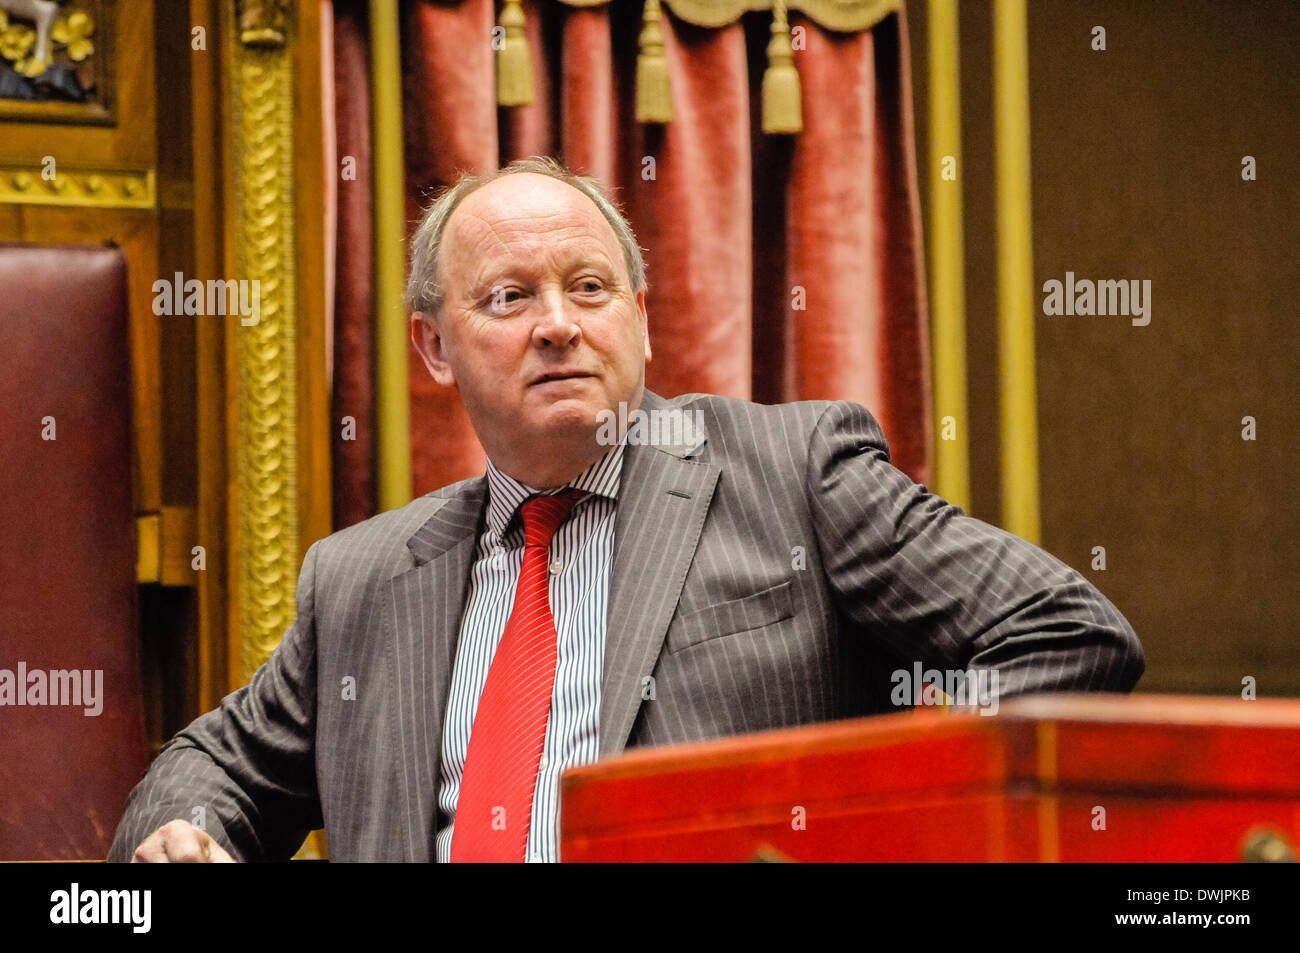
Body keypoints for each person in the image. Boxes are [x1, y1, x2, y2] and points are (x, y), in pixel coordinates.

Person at [110, 156, 1143, 863]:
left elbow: (1068, 634)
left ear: (641, 320)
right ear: (435, 347)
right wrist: (186, 832)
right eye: (509, 298)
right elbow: (211, 765)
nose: (557, 324)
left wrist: (858, 806)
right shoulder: (365, 578)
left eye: (590, 287)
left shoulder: (793, 473)